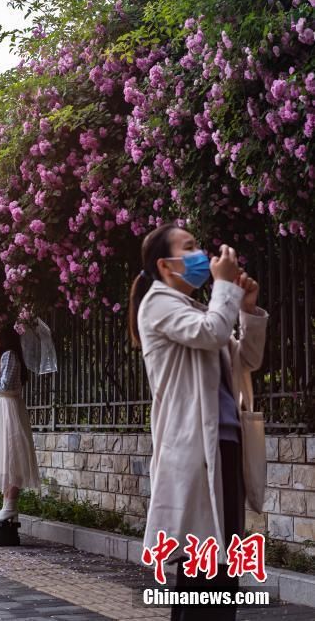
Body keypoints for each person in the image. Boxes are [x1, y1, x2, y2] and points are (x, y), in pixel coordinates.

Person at [128, 224, 268, 621]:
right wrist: (225, 287)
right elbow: (212, 333)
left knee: (220, 575)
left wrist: (247, 308)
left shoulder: (192, 310)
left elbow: (247, 359)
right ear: (165, 264)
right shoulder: (157, 303)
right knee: (203, 575)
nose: (200, 254)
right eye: (188, 248)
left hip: (224, 448)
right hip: (195, 452)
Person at [0, 325, 40, 522]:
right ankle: (7, 506)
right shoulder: (1, 357)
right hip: (1, 408)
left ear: (3, 335)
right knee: (4, 457)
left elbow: (6, 386)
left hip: (9, 409)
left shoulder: (10, 355)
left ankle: (10, 506)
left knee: (12, 456)